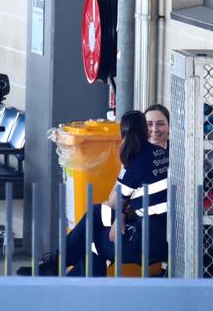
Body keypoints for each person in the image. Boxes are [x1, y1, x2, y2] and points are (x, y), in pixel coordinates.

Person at [18, 109, 170, 276]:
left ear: (122, 134)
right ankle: (58, 270)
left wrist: (120, 208)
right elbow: (151, 203)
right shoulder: (163, 155)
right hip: (162, 234)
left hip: (146, 240)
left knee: (93, 236)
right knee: (94, 223)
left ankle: (58, 268)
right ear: (145, 131)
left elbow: (113, 203)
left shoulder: (135, 163)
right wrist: (123, 215)